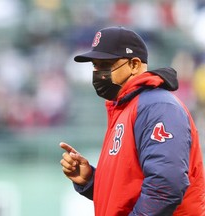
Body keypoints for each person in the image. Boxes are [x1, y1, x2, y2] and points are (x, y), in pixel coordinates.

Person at [60, 26, 205, 215]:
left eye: (106, 64)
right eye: (95, 65)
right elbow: (128, 193)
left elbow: (166, 185)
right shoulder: (125, 108)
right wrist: (90, 181)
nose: (98, 72)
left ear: (135, 65)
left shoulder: (157, 106)